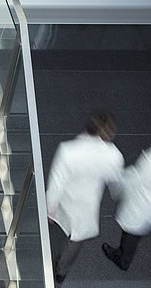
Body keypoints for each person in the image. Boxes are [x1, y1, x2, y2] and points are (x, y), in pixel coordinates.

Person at [46, 111, 124, 286]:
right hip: (87, 209)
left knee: (54, 239)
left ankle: (48, 264)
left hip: (64, 206)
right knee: (74, 243)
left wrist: (49, 209)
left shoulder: (68, 151)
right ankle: (61, 271)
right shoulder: (114, 155)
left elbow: (56, 183)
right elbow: (116, 183)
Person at [102, 147, 151, 271]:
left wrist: (115, 183)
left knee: (130, 237)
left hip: (141, 210)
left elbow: (133, 180)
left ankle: (123, 260)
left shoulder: (149, 162)